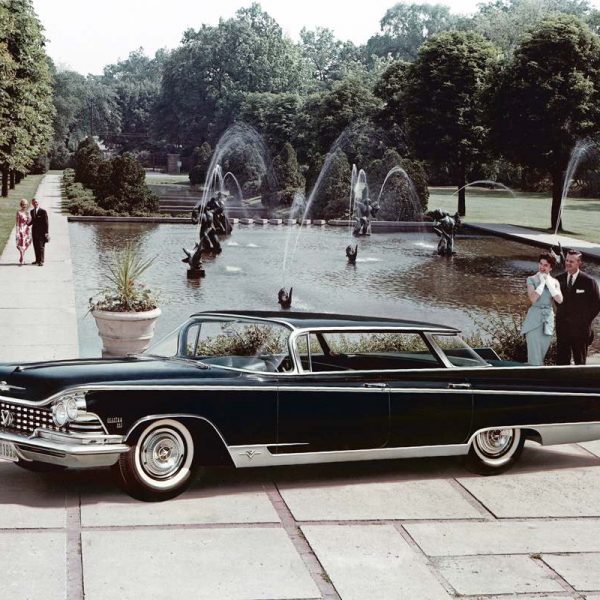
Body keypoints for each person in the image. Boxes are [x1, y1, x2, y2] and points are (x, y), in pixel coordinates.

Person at [555, 249, 600, 365]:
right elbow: (557, 302)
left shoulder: (589, 282)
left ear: (579, 263)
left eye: (572, 261)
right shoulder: (558, 280)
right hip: (562, 329)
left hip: (580, 331)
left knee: (580, 363)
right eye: (567, 260)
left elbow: (596, 305)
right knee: (561, 363)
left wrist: (584, 320)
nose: (568, 263)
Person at [521, 253, 563, 365]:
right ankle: (533, 378)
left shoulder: (555, 282)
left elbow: (559, 300)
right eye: (541, 264)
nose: (542, 267)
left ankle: (535, 377)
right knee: (534, 357)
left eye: (546, 265)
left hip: (548, 320)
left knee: (542, 354)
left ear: (551, 267)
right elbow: (533, 299)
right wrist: (542, 283)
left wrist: (549, 284)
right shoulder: (531, 279)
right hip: (534, 319)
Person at [30, 198, 49, 266]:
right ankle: (37, 260)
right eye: (34, 203)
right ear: (32, 204)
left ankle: (41, 261)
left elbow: (46, 222)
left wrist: (46, 232)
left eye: (36, 202)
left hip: (41, 232)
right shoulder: (32, 211)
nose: (35, 204)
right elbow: (33, 221)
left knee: (41, 246)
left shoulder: (43, 211)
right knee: (35, 246)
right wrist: (27, 224)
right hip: (34, 231)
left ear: (38, 203)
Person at [15, 199, 32, 266]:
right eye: (23, 204)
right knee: (20, 244)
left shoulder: (28, 213)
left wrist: (29, 218)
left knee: (28, 242)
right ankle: (22, 258)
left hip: (26, 230)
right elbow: (17, 223)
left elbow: (29, 222)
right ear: (21, 205)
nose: (24, 206)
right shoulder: (18, 212)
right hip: (20, 230)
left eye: (25, 204)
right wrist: (17, 231)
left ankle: (21, 257)